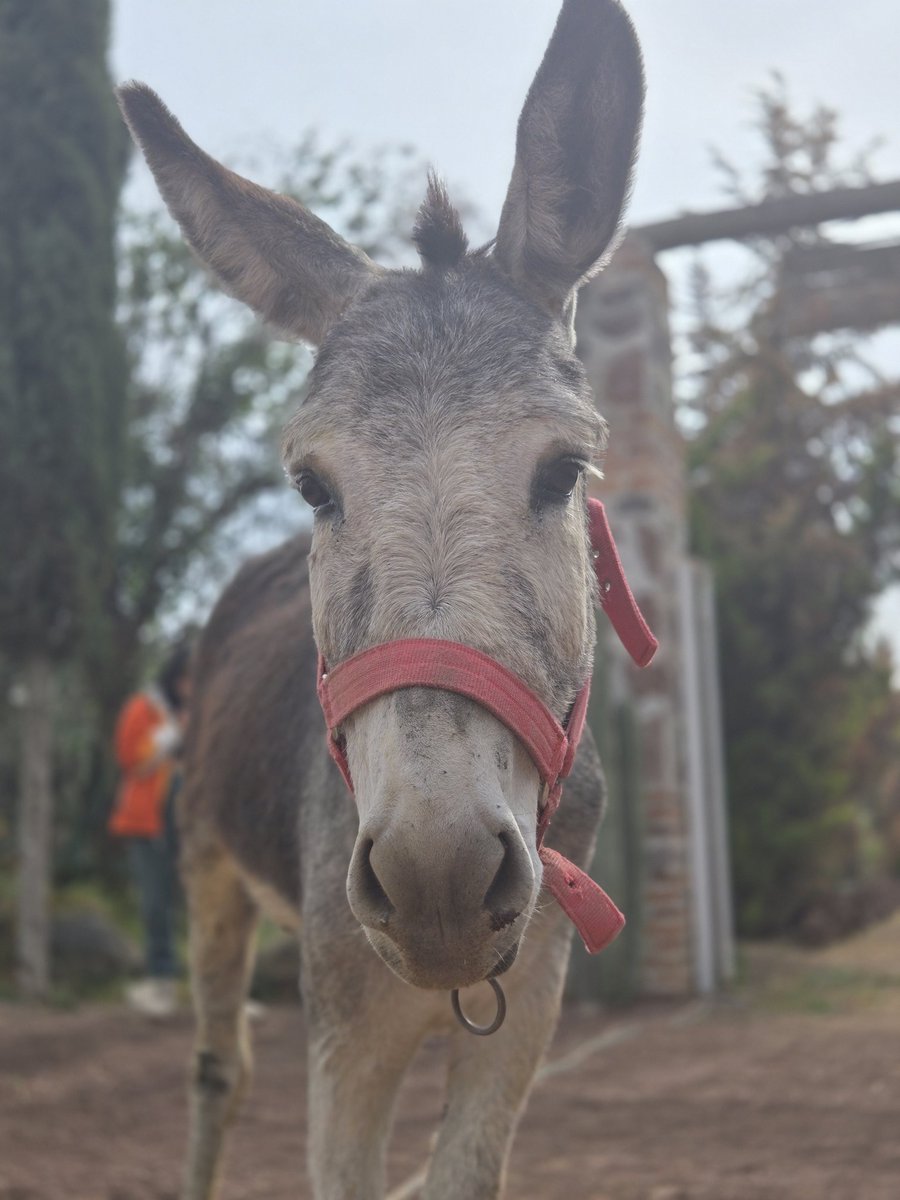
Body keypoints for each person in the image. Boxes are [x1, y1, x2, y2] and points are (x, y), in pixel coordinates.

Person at [109, 644, 191, 1017]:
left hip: (184, 825)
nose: (192, 687)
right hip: (146, 823)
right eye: (187, 680)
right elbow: (131, 762)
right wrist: (171, 736)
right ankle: (161, 982)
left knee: (191, 902)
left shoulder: (190, 711)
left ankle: (200, 983)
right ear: (175, 678)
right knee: (156, 904)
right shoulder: (143, 709)